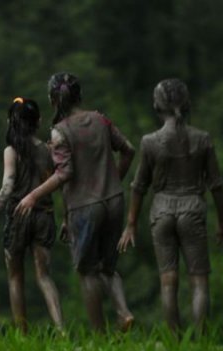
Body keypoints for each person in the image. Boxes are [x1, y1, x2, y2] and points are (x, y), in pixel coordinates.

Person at [117, 78, 223, 335]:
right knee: (199, 279)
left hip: (161, 210)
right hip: (192, 208)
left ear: (157, 105)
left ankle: (175, 340)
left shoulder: (150, 142)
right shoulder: (202, 139)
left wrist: (131, 224)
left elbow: (139, 186)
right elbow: (216, 184)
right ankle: (202, 338)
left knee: (168, 280)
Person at [15, 73, 135, 332]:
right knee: (109, 266)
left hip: (85, 207)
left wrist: (32, 195)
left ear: (52, 100)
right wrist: (115, 180)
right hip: (114, 201)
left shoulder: (61, 132)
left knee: (88, 271)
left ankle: (99, 335)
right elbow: (128, 150)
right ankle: (123, 312)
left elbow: (65, 174)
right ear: (79, 95)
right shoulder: (101, 119)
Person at [0, 97, 65, 335]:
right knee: (44, 276)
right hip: (44, 215)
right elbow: (63, 183)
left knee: (15, 277)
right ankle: (61, 329)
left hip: (18, 218)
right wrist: (66, 216)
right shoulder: (48, 150)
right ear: (38, 121)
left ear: (10, 121)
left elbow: (7, 187)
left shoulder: (11, 151)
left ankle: (21, 335)